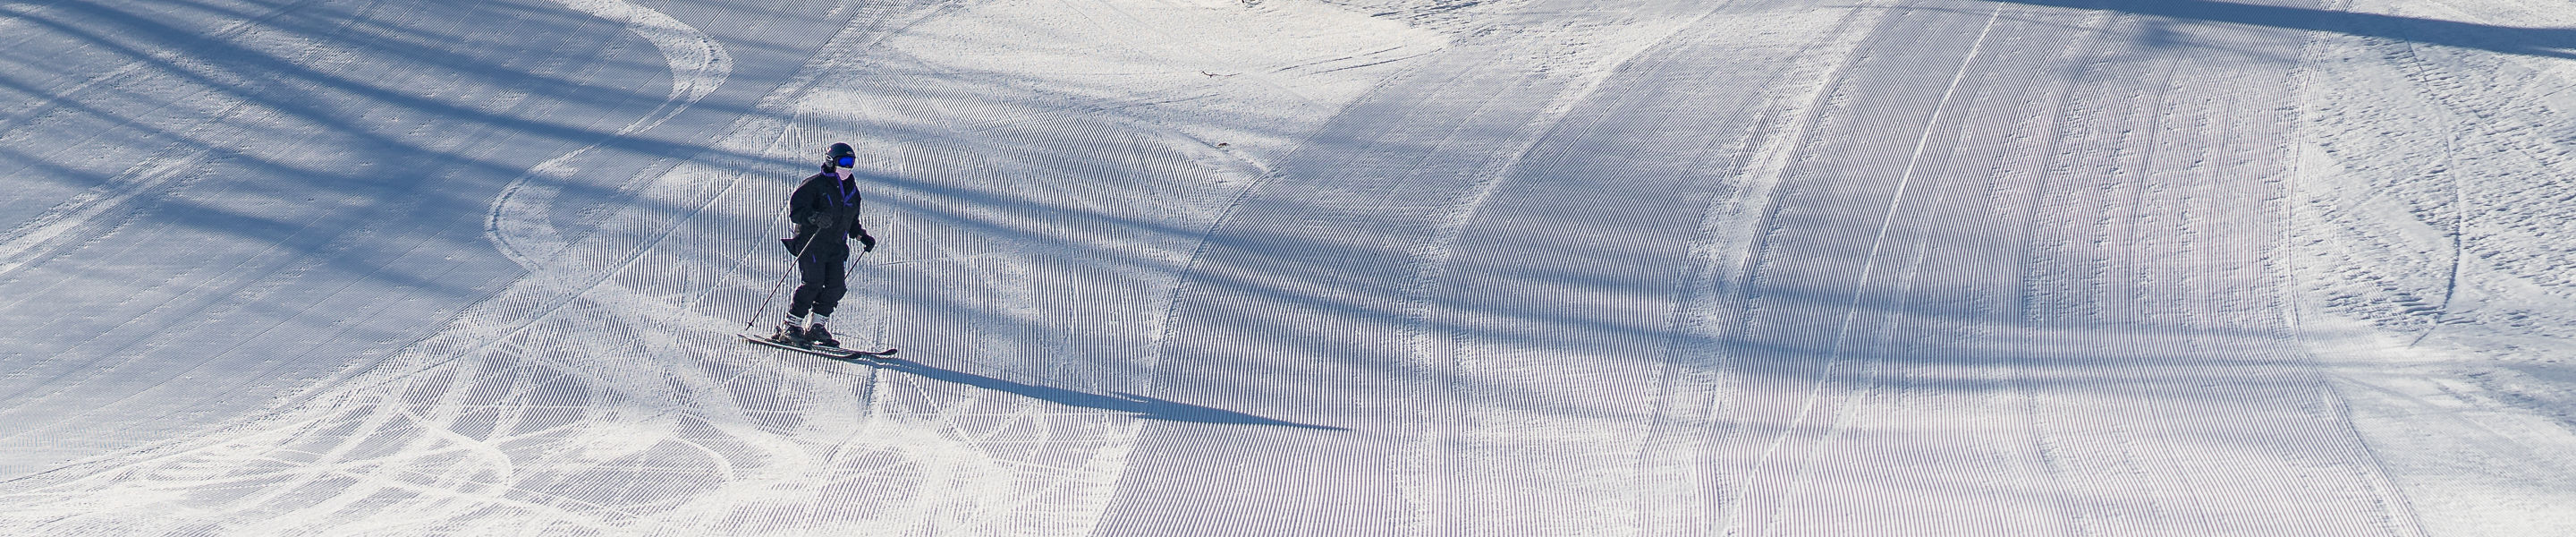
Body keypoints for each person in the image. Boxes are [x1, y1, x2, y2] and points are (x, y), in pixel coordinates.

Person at [775, 142, 877, 347]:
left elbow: (851, 221)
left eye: (851, 163)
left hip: (835, 247)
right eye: (844, 162)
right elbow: (796, 212)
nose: (847, 167)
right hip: (811, 243)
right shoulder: (815, 185)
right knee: (813, 283)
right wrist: (814, 217)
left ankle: (816, 326)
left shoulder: (853, 192)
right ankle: (791, 326)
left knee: (836, 286)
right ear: (831, 161)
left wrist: (862, 236)